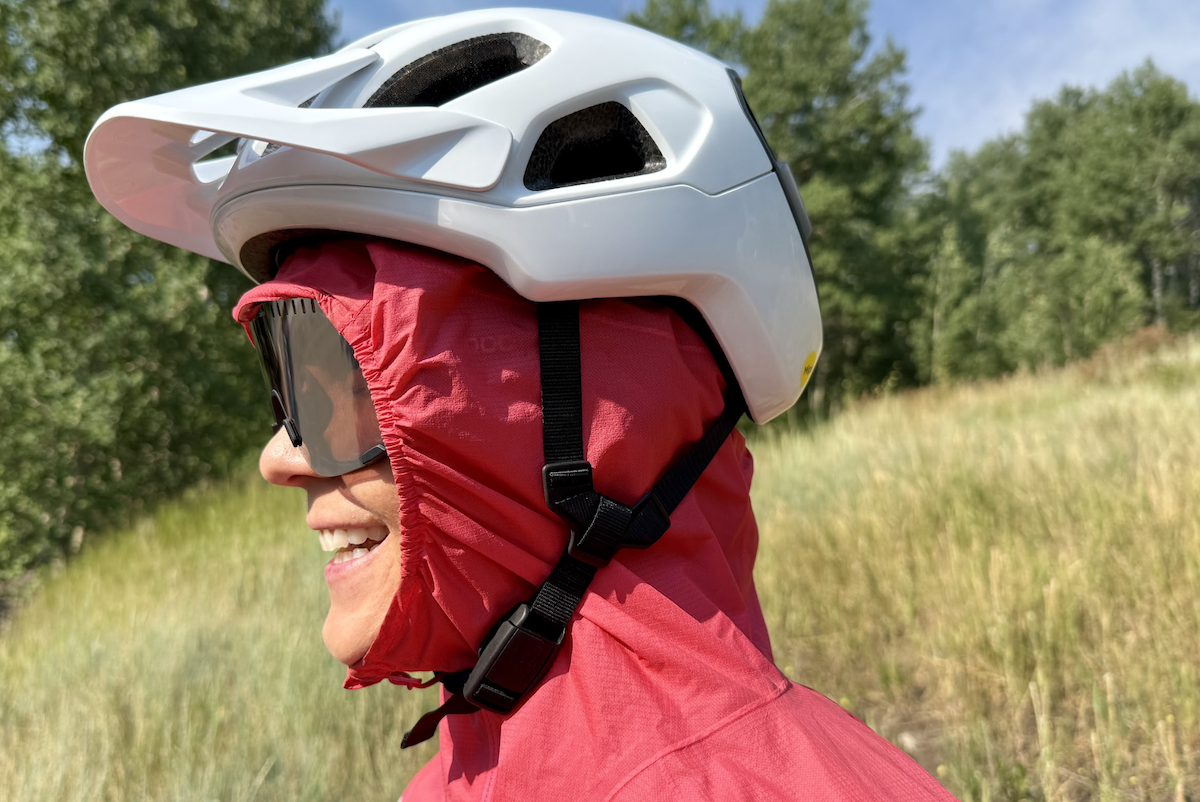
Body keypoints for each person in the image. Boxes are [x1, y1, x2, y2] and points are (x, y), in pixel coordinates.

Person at [85, 9, 957, 801]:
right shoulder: (466, 769)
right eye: (292, 382)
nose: (278, 458)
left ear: (599, 422)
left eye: (352, 380)